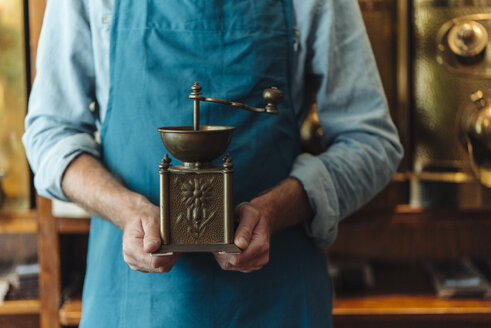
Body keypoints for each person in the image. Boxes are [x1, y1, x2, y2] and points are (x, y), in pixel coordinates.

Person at [23, 0, 403, 327]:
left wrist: (275, 209)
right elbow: (50, 134)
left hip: (276, 298)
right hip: (135, 302)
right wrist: (126, 210)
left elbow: (372, 142)